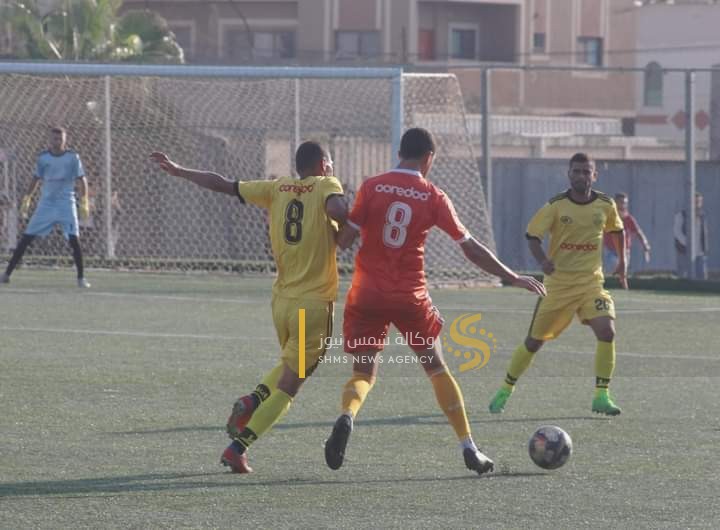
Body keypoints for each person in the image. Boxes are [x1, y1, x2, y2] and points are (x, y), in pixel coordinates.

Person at [323, 128, 546, 476]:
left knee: (363, 373)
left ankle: (347, 415)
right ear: (429, 158)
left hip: (367, 294)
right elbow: (471, 248)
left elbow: (345, 240)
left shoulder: (371, 186)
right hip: (410, 298)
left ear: (400, 152)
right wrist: (511, 276)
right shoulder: (432, 195)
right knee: (437, 369)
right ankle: (468, 446)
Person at [150, 141, 347, 474]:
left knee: (289, 364)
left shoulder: (276, 188)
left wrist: (180, 170)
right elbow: (340, 211)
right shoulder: (327, 184)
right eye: (329, 163)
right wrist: (353, 220)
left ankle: (252, 400)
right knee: (291, 385)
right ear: (322, 165)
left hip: (282, 303)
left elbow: (221, 183)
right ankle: (238, 448)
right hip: (311, 305)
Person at [488, 152, 626, 417]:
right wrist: (543, 261)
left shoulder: (606, 204)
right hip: (558, 287)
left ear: (594, 175)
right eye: (577, 171)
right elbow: (532, 236)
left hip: (591, 284)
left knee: (607, 331)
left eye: (586, 172)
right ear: (569, 174)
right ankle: (506, 388)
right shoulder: (556, 206)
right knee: (533, 342)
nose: (581, 176)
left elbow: (617, 231)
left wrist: (622, 262)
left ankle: (601, 396)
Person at [0, 127, 91, 287]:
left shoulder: (72, 157)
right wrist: (27, 198)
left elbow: (82, 179)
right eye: (54, 139)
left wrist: (84, 201)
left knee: (74, 239)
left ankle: (81, 278)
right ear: (50, 140)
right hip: (46, 205)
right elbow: (36, 178)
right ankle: (6, 274)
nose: (57, 142)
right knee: (26, 238)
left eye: (60, 139)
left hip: (66, 204)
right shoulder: (43, 158)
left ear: (65, 140)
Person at [602, 193, 650, 275]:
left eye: (624, 203)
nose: (623, 205)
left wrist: (645, 245)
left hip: (625, 251)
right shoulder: (609, 217)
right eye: (620, 202)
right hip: (610, 251)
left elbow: (638, 232)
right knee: (613, 267)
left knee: (622, 273)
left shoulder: (629, 219)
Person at [674, 193, 708, 280]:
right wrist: (688, 243)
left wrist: (704, 248)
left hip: (700, 252)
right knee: (683, 276)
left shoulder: (702, 216)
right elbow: (677, 232)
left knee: (702, 276)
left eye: (699, 201)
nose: (698, 204)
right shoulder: (681, 215)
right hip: (684, 251)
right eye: (696, 201)